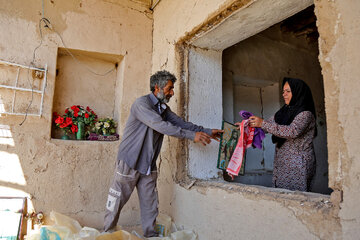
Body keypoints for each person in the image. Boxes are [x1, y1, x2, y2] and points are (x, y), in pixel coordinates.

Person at [103, 70, 223, 237]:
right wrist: (191, 136)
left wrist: (208, 131)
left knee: (150, 204)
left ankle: (151, 236)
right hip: (130, 161)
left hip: (148, 164)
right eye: (169, 89)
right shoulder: (141, 104)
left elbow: (182, 124)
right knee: (116, 201)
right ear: (157, 87)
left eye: (172, 89)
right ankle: (105, 233)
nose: (172, 92)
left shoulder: (163, 108)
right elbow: (161, 126)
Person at [245, 77, 316, 192]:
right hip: (283, 164)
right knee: (282, 195)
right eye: (283, 91)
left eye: (288, 91)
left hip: (298, 165)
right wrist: (246, 125)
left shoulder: (305, 113)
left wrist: (262, 123)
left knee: (296, 198)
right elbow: (267, 125)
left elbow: (292, 131)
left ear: (298, 92)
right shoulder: (283, 112)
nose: (284, 94)